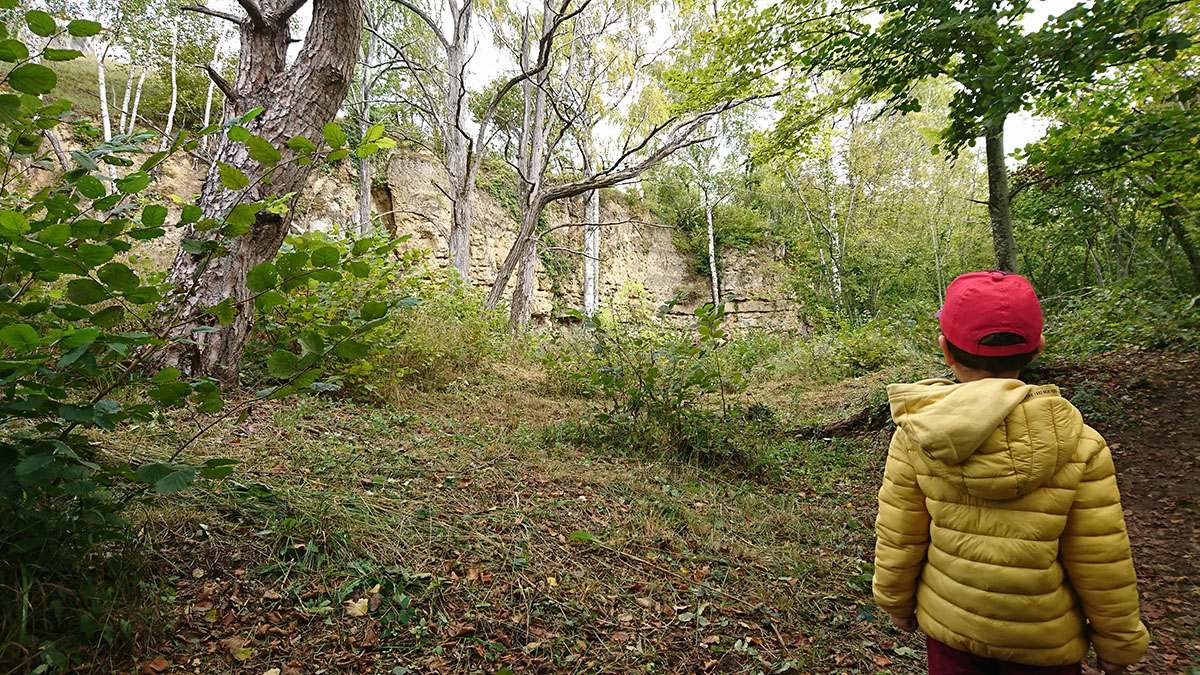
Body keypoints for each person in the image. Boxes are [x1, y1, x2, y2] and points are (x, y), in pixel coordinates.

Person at [872, 270, 1148, 675]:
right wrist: (1118, 641)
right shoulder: (1082, 443)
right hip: (1044, 641)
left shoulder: (918, 435)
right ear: (1037, 350)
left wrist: (896, 602)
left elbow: (900, 532)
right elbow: (1101, 556)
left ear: (945, 350)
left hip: (951, 627)